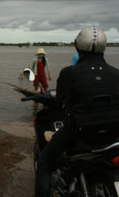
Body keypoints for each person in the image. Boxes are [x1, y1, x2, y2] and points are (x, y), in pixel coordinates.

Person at [35, 26, 119, 197]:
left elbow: (60, 106)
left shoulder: (69, 73)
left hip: (79, 132)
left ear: (76, 46)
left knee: (44, 161)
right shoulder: (115, 73)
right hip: (113, 134)